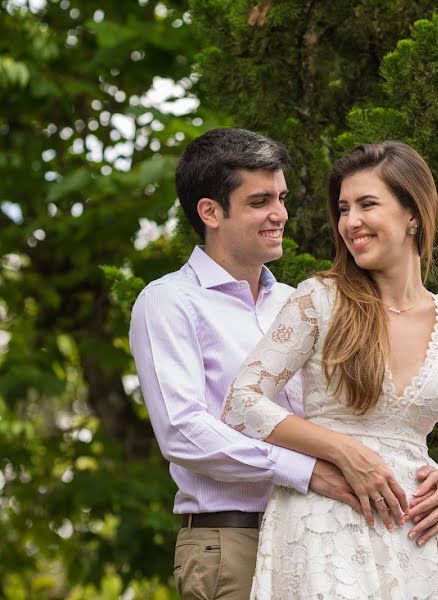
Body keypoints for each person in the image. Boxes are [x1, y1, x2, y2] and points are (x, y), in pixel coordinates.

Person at [130, 128, 410, 599]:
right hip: (233, 542)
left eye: (280, 197)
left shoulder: (297, 302)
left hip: (324, 537)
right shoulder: (169, 302)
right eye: (259, 201)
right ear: (210, 212)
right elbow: (183, 431)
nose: (279, 214)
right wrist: (306, 470)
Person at [221, 141, 438, 599]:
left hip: (416, 535)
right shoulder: (318, 300)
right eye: (344, 208)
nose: (351, 222)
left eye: (367, 204)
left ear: (413, 214)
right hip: (325, 523)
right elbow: (241, 403)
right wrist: (343, 451)